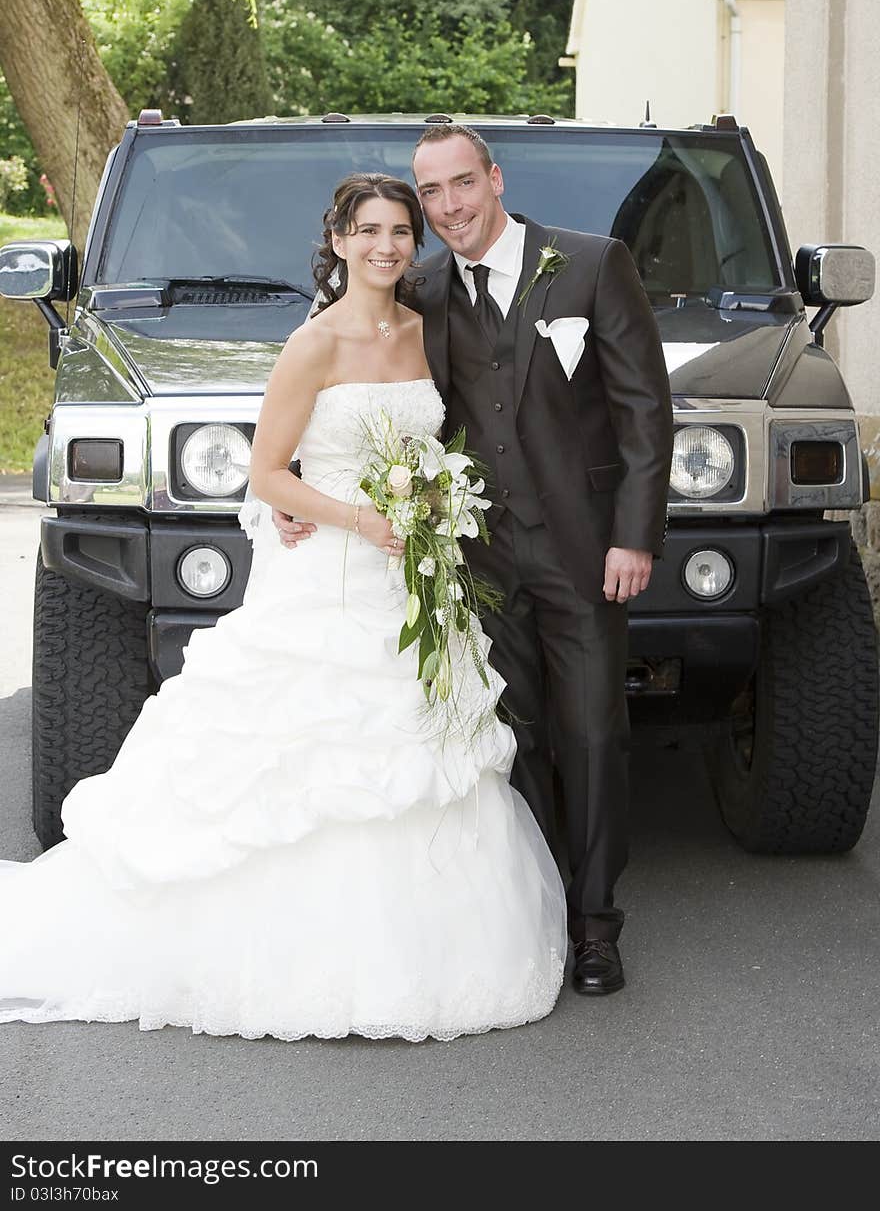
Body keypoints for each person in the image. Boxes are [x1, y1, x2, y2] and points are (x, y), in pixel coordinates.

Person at [0, 173, 567, 1042]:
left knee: (425, 749)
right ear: (338, 240)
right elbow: (266, 473)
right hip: (331, 576)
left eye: (400, 231)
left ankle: (417, 952)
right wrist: (355, 517)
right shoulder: (313, 343)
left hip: (412, 577)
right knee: (309, 760)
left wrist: (433, 509)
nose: (386, 246)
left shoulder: (425, 331)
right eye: (368, 230)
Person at [276, 128, 674, 996]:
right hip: (471, 563)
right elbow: (365, 395)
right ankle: (535, 914)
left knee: (594, 732)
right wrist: (294, 488)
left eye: (464, 183)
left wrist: (634, 534)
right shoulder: (417, 290)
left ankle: (598, 925)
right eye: (433, 193)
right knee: (506, 738)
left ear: (495, 179)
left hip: (584, 552)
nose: (450, 205)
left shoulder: (590, 264)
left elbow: (647, 411)